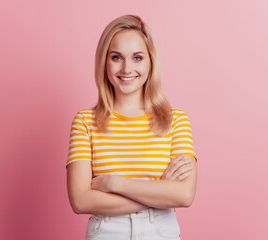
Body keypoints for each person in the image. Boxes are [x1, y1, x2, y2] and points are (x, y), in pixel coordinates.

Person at [66, 14, 198, 240]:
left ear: (150, 62)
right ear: (104, 62)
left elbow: (184, 195)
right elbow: (80, 201)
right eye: (116, 57)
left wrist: (114, 183)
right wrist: (158, 191)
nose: (127, 68)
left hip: (160, 231)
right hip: (107, 232)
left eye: (137, 58)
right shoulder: (85, 122)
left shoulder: (175, 120)